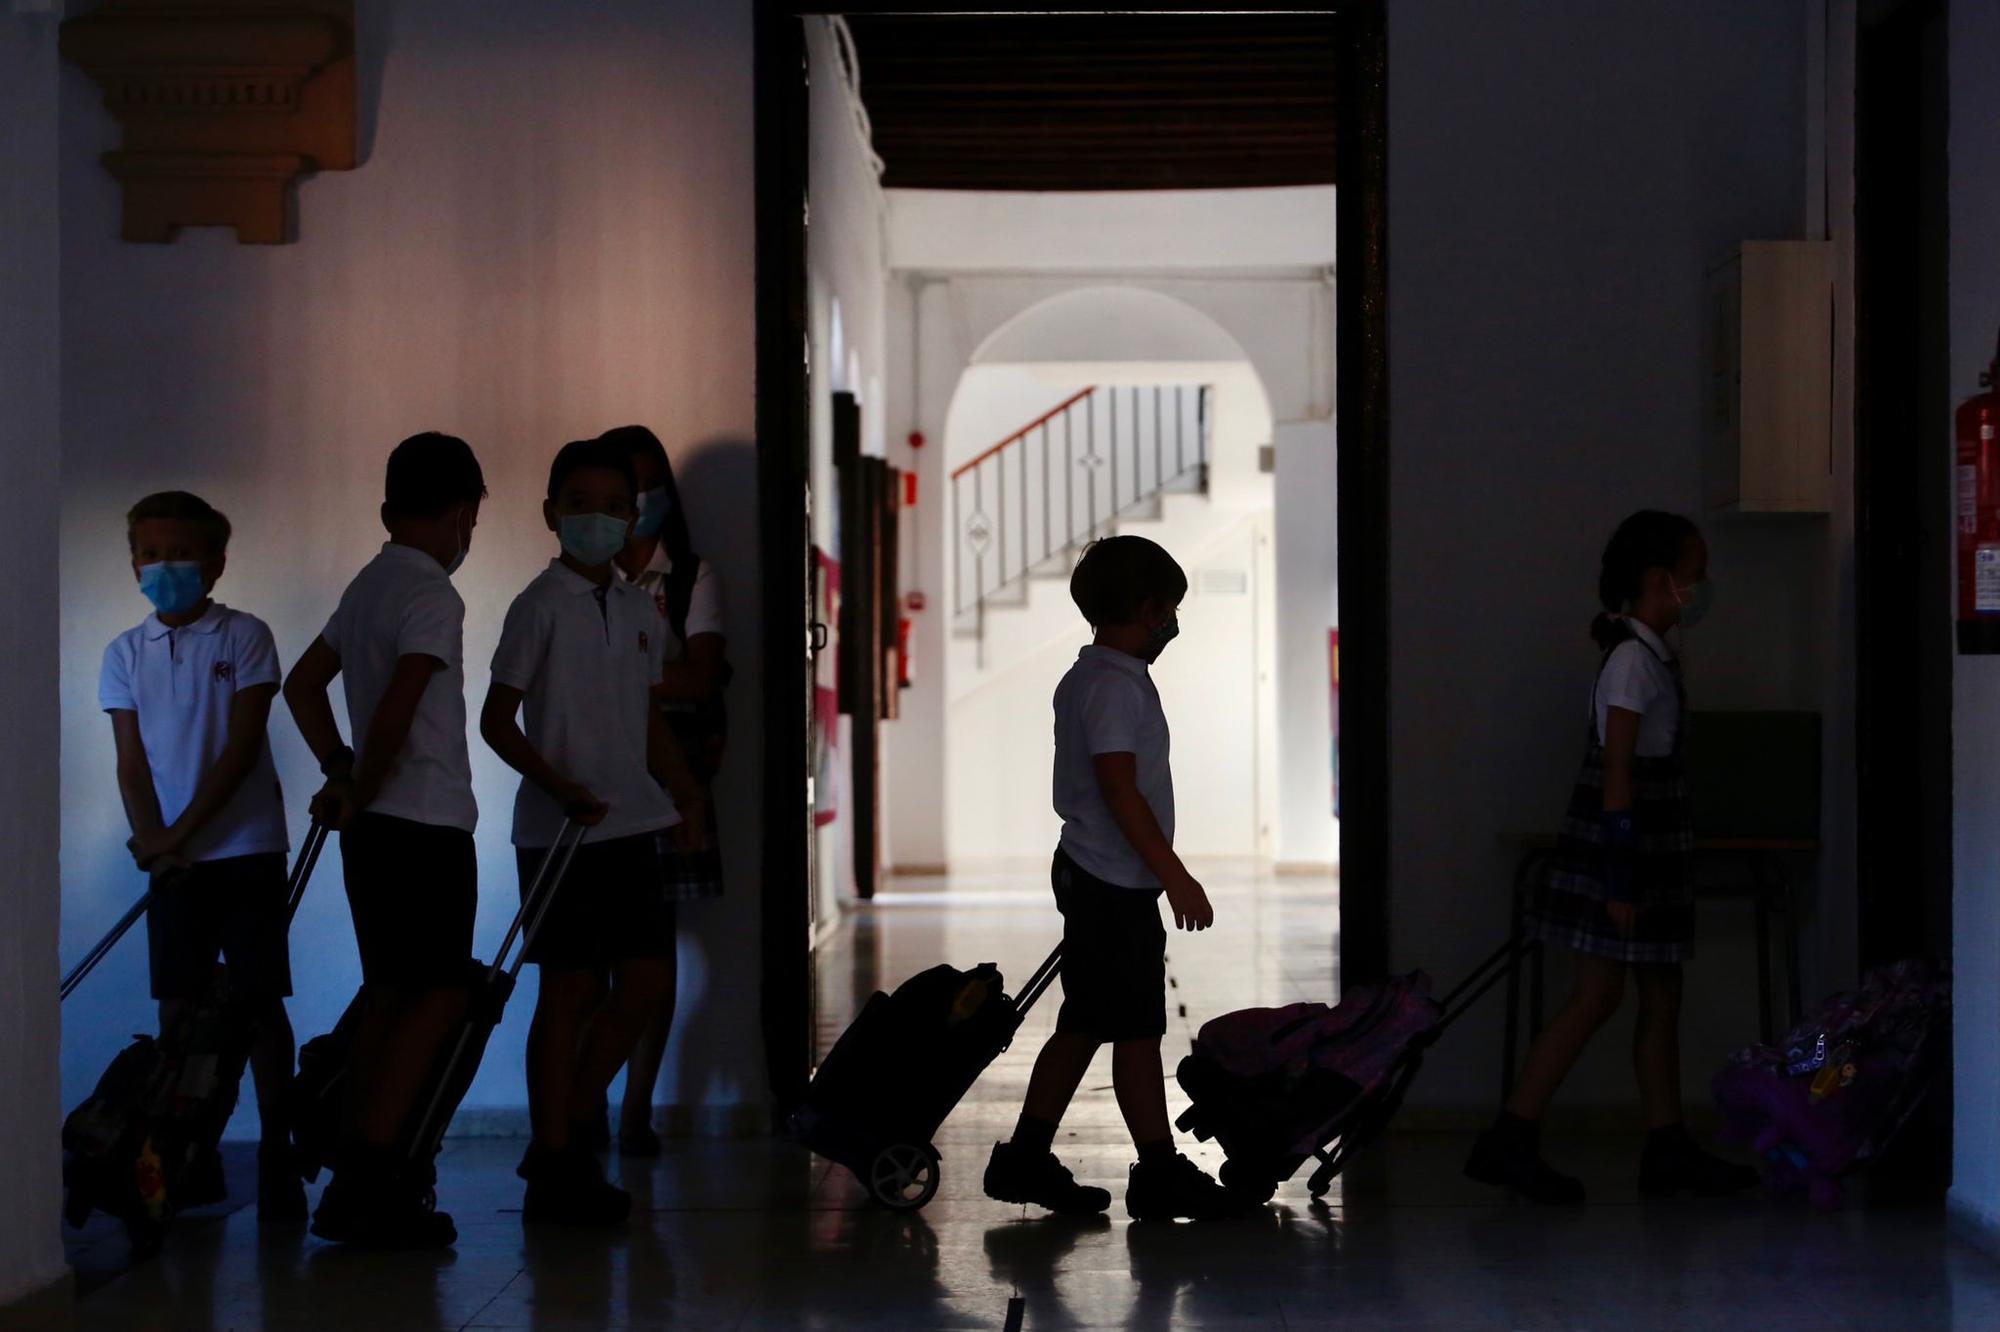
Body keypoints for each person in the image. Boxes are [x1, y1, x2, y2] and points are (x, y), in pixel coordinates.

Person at [1464, 510, 1761, 1204]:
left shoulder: (1653, 653)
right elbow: (1618, 772)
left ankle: (1667, 1146)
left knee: (1659, 996)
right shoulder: (1631, 661)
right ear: (1662, 579)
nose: (1704, 585)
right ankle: (1512, 1137)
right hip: (1623, 850)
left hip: (1646, 849)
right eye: (1697, 571)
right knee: (1598, 997)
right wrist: (1622, 874)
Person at [982, 535, 1243, 1222]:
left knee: (1096, 1024)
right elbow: (1121, 793)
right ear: (1146, 608)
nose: (1172, 625)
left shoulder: (1110, 676)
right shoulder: (1107, 687)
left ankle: (1031, 1157)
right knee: (1128, 1029)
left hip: (1105, 878)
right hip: (1110, 882)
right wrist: (1176, 876)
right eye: (1169, 610)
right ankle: (1153, 1172)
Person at [480, 437, 706, 1224]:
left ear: (633, 515)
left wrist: (681, 797)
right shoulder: (537, 606)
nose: (597, 519)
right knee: (571, 989)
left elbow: (646, 716)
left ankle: (563, 1126)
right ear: (551, 513)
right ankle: (560, 1156)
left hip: (633, 825)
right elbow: (496, 721)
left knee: (641, 984)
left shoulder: (640, 605)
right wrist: (561, 788)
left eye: (614, 506)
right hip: (561, 834)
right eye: (579, 504)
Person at [282, 432, 486, 1248]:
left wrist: (342, 773)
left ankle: (349, 1175)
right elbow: (403, 702)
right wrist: (364, 778)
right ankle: (379, 1172)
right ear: (464, 514)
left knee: (387, 994)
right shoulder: (434, 593)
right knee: (439, 993)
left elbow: (302, 687)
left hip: (368, 829)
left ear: (385, 510)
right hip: (427, 820)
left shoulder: (367, 586)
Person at [100, 491, 304, 1225]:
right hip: (174, 863)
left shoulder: (246, 636)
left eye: (182, 553)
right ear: (133, 565)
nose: (166, 567)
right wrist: (153, 841)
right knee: (178, 1011)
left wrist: (178, 833)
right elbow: (131, 763)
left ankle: (280, 1153)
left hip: (246, 849)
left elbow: (243, 748)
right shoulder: (123, 653)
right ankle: (188, 1154)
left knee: (256, 1005)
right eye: (150, 554)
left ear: (216, 563)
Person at [600, 424, 727, 1158]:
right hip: (598, 772)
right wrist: (652, 676)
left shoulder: (689, 576)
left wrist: (621, 678)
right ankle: (586, 1102)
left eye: (651, 485)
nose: (640, 500)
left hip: (672, 769)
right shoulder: (580, 580)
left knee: (654, 945)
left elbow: (702, 676)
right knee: (598, 951)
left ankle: (636, 1107)